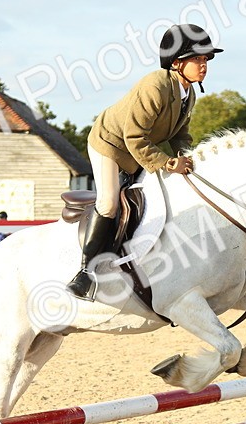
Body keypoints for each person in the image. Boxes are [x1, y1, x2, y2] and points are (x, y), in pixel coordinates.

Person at [67, 23, 223, 299]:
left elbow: (180, 136)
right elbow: (134, 135)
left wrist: (188, 158)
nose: (204, 65)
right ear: (176, 63)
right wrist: (166, 163)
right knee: (109, 202)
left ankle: (130, 257)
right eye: (197, 59)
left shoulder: (189, 93)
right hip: (110, 143)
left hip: (137, 148)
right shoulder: (155, 85)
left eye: (205, 59)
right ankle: (85, 273)